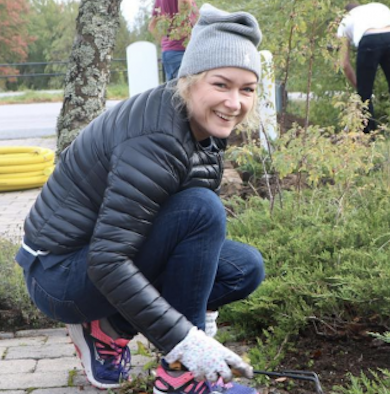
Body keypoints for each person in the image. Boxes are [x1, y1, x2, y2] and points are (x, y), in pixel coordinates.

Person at [15, 4, 265, 394]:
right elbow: (107, 259)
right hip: (58, 274)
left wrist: (199, 317)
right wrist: (187, 340)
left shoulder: (203, 127)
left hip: (100, 257)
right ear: (190, 79)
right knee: (203, 209)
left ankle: (108, 329)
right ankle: (181, 376)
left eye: (246, 89)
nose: (235, 102)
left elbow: (184, 241)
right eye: (221, 84)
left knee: (243, 267)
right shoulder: (158, 137)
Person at [337, 2, 390, 134]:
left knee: (365, 95)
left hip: (369, 39)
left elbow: (344, 64)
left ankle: (369, 137)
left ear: (346, 12)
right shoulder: (380, 7)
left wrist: (360, 86)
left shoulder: (345, 21)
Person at [149, 0, 199, 82]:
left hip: (169, 52)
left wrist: (165, 40)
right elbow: (187, 22)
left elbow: (152, 26)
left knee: (173, 91)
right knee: (185, 90)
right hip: (181, 51)